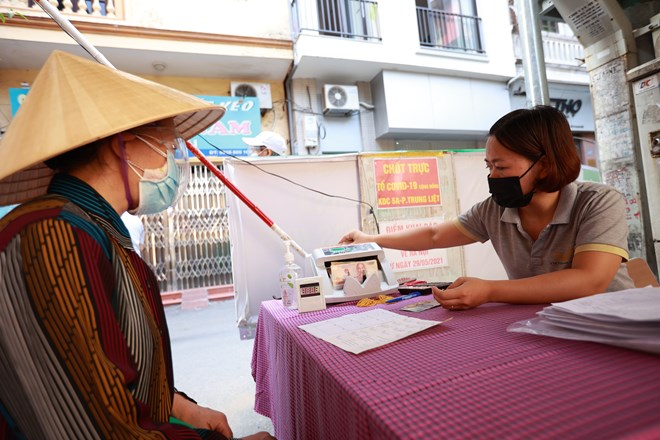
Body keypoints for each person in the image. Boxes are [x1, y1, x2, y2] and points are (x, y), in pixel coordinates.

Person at [0, 50, 273, 440]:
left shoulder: (93, 229)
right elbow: (94, 427)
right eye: (166, 141)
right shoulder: (54, 235)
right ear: (124, 144)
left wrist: (181, 407)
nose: (173, 157)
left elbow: (118, 372)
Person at [339, 105, 635, 311]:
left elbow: (589, 280)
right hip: (548, 324)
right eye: (489, 165)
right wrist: (370, 240)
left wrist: (490, 290)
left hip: (616, 327)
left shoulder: (599, 202)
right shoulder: (494, 210)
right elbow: (433, 236)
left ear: (544, 165)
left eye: (501, 166)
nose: (492, 176)